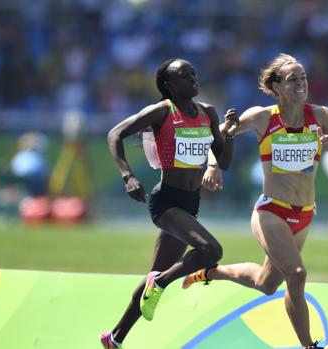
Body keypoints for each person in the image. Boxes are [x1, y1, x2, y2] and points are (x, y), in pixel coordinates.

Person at [183, 53, 328, 349]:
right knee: (297, 274)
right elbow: (215, 138)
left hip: (304, 215)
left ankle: (211, 271)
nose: (301, 83)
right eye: (292, 79)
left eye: (303, 77)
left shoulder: (322, 115)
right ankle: (309, 346)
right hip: (271, 211)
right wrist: (212, 164)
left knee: (266, 283)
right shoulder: (263, 117)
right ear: (277, 88)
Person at [101, 58, 239, 348]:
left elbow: (223, 161)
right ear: (168, 85)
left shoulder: (208, 113)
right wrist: (128, 176)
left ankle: (114, 338)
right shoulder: (162, 112)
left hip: (190, 203)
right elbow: (115, 134)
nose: (193, 78)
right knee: (211, 250)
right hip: (166, 203)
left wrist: (229, 134)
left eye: (194, 73)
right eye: (184, 75)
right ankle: (161, 283)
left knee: (155, 272)